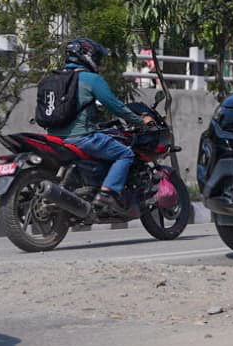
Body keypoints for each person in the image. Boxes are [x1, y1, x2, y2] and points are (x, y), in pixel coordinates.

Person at [46, 37, 153, 215]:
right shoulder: (91, 79)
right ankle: (107, 194)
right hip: (82, 138)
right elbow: (116, 106)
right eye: (96, 57)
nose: (98, 61)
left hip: (54, 139)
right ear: (87, 56)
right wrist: (140, 121)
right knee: (126, 154)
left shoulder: (54, 78)